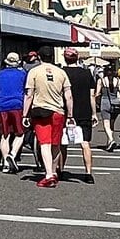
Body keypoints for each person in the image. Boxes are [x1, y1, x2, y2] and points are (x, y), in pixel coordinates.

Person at [22, 45, 74, 188]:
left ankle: (48, 174)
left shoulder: (34, 72)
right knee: (55, 144)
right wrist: (70, 115)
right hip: (58, 112)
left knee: (44, 143)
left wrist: (24, 114)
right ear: (53, 57)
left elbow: (29, 95)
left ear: (39, 57)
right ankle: (54, 171)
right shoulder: (61, 73)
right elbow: (68, 96)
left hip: (41, 110)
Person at [58, 47, 97, 182]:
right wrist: (94, 113)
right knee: (85, 143)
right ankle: (88, 173)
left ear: (64, 58)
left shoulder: (62, 73)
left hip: (65, 111)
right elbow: (92, 95)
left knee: (63, 143)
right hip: (84, 111)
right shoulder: (87, 73)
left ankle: (61, 170)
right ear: (77, 57)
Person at [0, 51, 26, 173]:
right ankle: (12, 154)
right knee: (20, 134)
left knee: (4, 135)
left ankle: (6, 164)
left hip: (2, 105)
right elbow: (27, 91)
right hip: (17, 105)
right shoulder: (22, 74)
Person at [96, 62, 120, 152]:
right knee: (112, 124)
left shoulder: (101, 80)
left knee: (106, 124)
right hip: (116, 103)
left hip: (105, 102)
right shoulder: (118, 81)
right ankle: (109, 142)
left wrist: (96, 102)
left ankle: (111, 140)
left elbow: (97, 93)